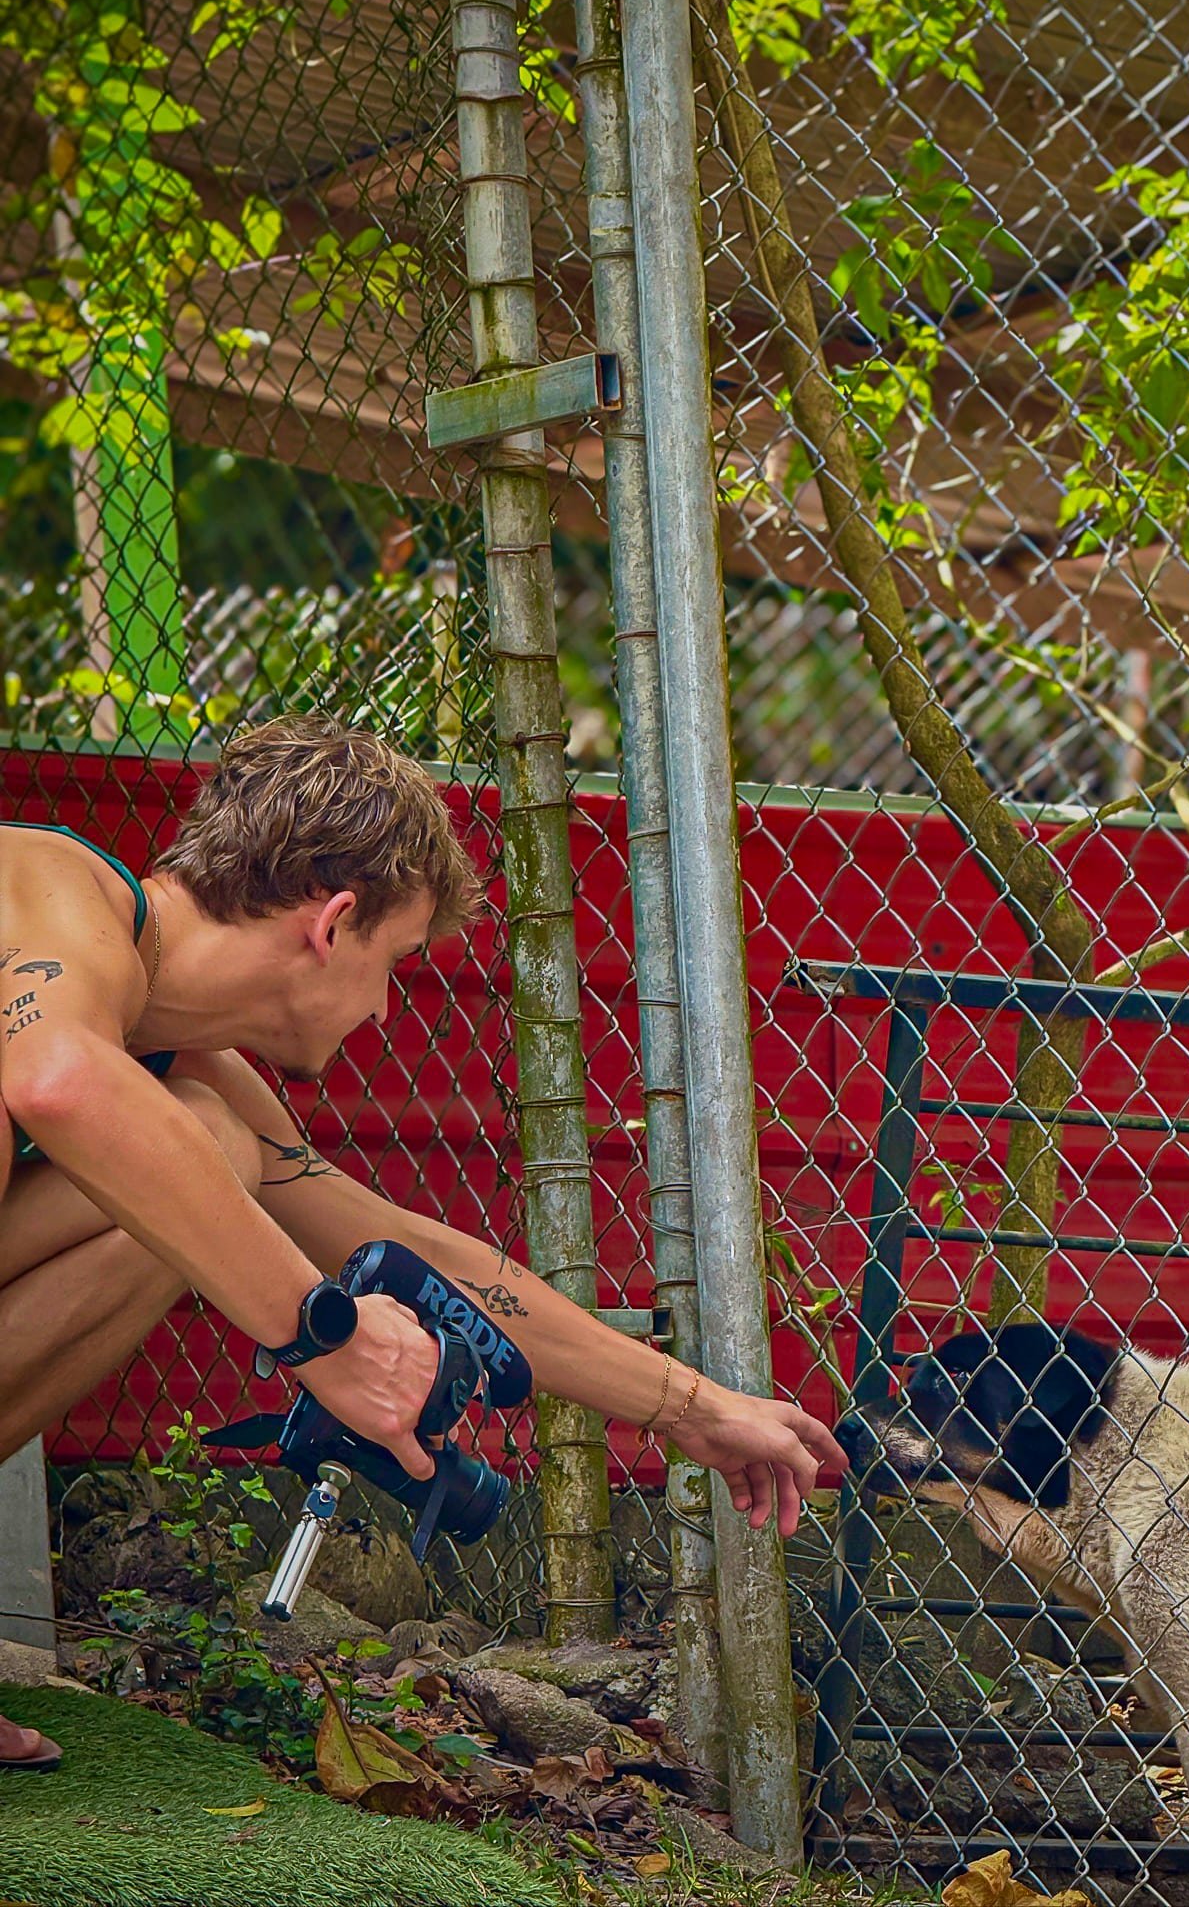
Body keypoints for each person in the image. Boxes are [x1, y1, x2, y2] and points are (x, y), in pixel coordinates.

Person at [0, 716, 846, 1770]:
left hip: (168, 1107)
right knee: (189, 1150)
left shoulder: (190, 1067)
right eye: (396, 959)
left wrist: (694, 1405)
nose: (388, 1004)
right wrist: (327, 1333)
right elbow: (58, 1080)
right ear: (334, 921)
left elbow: (414, 1245)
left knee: (196, 1165)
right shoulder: (50, 887)